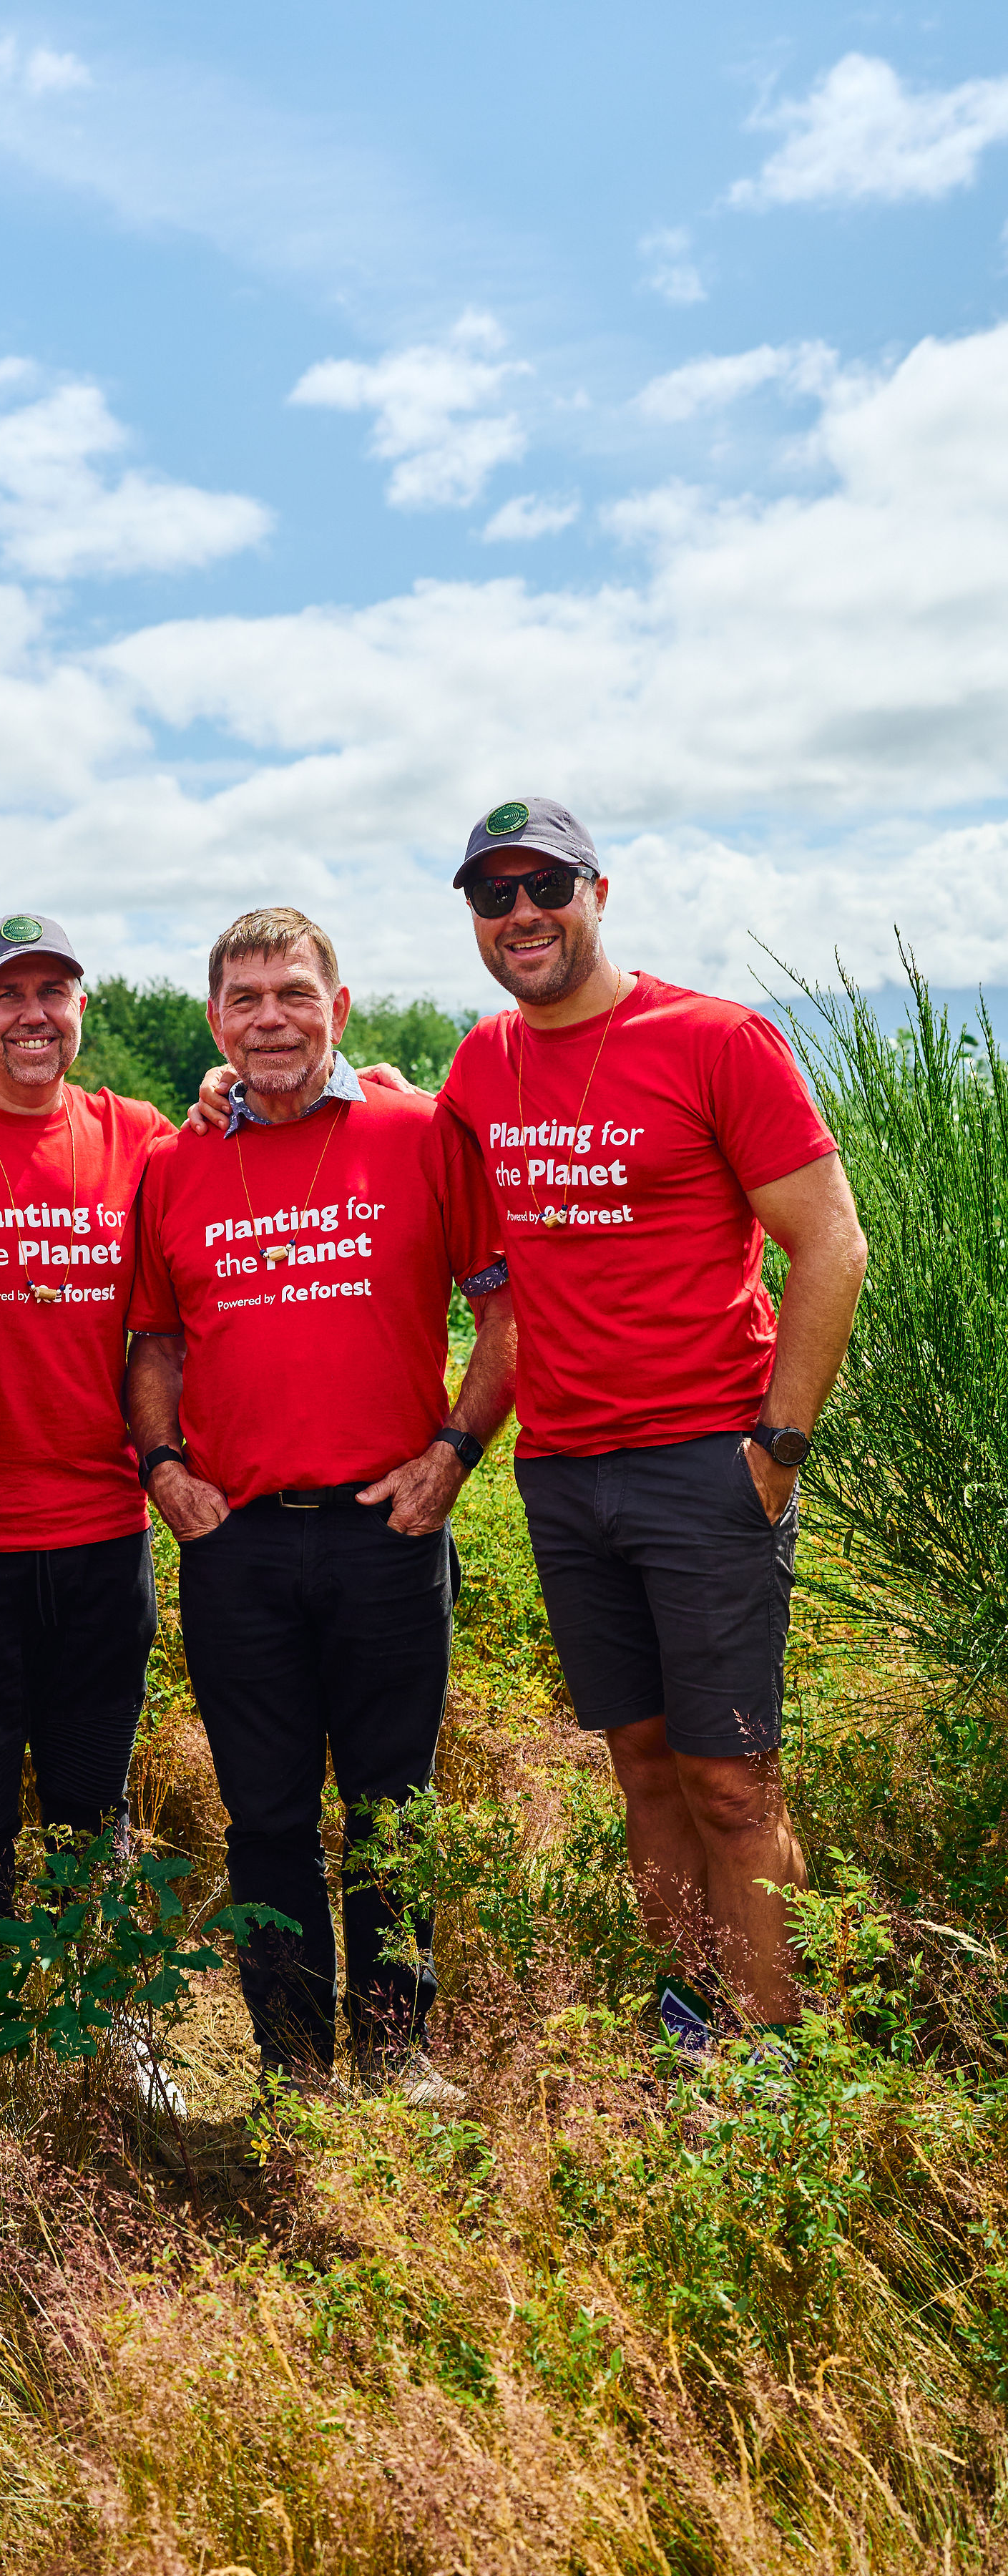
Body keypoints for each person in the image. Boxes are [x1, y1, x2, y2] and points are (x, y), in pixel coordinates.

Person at [435, 796, 868, 2043]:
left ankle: (776, 2066)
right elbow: (405, 1134)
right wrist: (232, 1093)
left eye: (544, 887)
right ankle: (694, 2037)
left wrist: (775, 1453)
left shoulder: (714, 1041)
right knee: (641, 1768)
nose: (521, 915)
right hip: (566, 1474)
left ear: (598, 891)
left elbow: (830, 1248)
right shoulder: (481, 1064)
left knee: (731, 1781)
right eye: (492, 895)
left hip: (704, 1469)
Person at [127, 906, 514, 2089]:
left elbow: (505, 1310)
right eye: (245, 1000)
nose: (271, 1019)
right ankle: (294, 2066)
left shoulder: (417, 1132)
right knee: (267, 1817)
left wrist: (454, 1452)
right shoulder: (174, 1163)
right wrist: (162, 1470)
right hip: (236, 1543)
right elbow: (153, 1343)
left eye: (293, 993)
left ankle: (400, 2054)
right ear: (215, 1023)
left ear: (338, 1009)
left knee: (395, 1806)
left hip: (386, 1532)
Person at [0, 913, 174, 2121]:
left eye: (54, 991)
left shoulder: (135, 1136)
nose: (32, 1015)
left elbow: (250, 1151)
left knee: (95, 1799)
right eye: (5, 993)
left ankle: (120, 2026)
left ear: (82, 1009)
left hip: (102, 1528)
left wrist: (358, 1079)